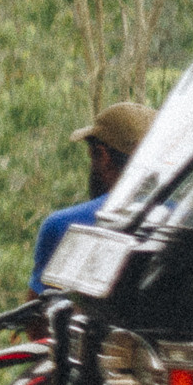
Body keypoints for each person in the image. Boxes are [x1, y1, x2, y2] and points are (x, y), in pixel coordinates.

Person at [32, 102, 155, 294]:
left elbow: (37, 319)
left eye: (92, 155)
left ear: (102, 156)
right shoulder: (184, 218)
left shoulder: (62, 226)